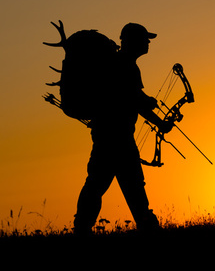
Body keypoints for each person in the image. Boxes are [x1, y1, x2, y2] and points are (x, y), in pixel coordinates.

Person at [73, 22, 172, 234]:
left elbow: (134, 98)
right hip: (116, 138)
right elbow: (133, 99)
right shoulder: (125, 66)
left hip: (108, 136)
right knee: (128, 184)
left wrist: (151, 111)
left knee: (100, 184)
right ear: (133, 41)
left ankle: (81, 228)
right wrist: (158, 120)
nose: (148, 42)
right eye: (145, 38)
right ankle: (145, 226)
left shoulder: (120, 64)